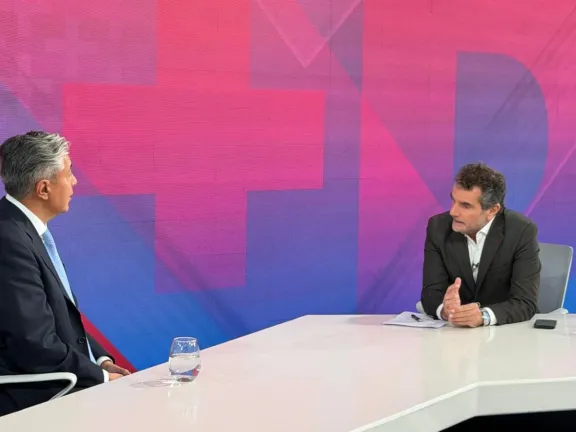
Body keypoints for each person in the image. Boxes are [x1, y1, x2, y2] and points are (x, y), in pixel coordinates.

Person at [0, 131, 130, 416]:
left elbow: (60, 321)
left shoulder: (21, 228)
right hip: (32, 399)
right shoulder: (8, 239)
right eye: (69, 173)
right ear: (44, 189)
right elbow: (33, 343)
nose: (74, 182)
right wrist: (101, 377)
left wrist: (101, 361)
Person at [421, 162, 541, 327]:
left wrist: (483, 316)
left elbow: (525, 302)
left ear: (492, 210)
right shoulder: (438, 227)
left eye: (465, 206)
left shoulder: (520, 231)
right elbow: (430, 294)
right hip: (455, 334)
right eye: (453, 201)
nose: (453, 212)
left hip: (505, 332)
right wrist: (445, 310)